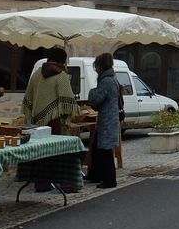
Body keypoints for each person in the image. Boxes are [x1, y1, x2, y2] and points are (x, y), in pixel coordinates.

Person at [22, 47, 77, 134]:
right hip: (55, 120)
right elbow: (68, 103)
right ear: (62, 61)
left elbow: (29, 97)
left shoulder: (36, 74)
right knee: (53, 145)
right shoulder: (61, 75)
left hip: (36, 120)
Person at [85, 52, 120, 189]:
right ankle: (95, 175)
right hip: (108, 120)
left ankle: (109, 180)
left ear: (100, 66)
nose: (96, 70)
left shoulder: (106, 81)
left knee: (105, 151)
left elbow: (95, 101)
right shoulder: (112, 79)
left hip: (107, 121)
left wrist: (91, 92)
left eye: (96, 67)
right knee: (96, 148)